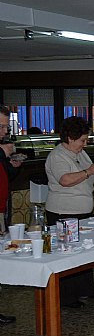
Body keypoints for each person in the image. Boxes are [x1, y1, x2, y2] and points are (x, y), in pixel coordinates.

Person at [45, 116, 94, 308]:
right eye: (82, 140)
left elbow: (85, 176)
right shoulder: (57, 156)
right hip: (63, 211)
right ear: (70, 138)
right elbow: (65, 180)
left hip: (82, 211)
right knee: (67, 254)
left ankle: (86, 288)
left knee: (85, 250)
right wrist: (89, 172)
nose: (85, 143)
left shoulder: (80, 153)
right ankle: (66, 296)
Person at [0, 105, 20, 324]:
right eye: (1, 126)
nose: (5, 131)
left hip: (2, 207)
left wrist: (12, 165)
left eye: (6, 126)